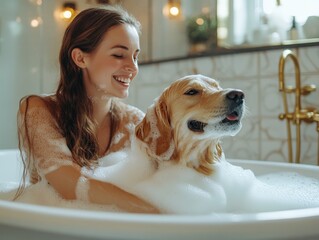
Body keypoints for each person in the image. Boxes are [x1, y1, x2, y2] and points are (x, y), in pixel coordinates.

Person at [17, 5, 158, 213]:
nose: (132, 67)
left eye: (135, 56)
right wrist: (152, 211)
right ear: (80, 58)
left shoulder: (134, 121)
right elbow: (68, 185)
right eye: (119, 55)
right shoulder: (38, 110)